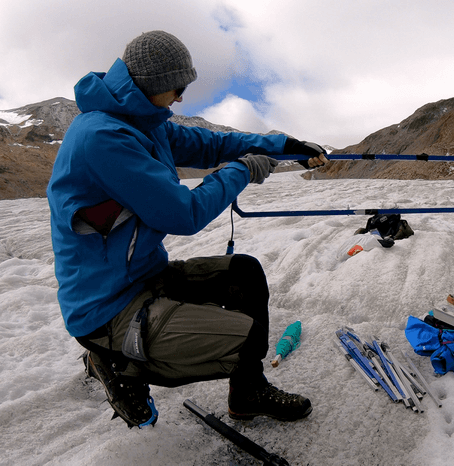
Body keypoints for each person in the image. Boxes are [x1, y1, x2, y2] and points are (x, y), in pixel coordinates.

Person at [47, 30, 328, 428]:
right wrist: (244, 169)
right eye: (177, 88)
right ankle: (116, 362)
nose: (181, 97)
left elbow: (209, 145)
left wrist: (281, 145)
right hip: (108, 307)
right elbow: (183, 214)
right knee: (244, 340)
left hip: (144, 276)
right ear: (151, 86)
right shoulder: (103, 137)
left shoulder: (145, 122)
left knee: (244, 273)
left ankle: (247, 393)